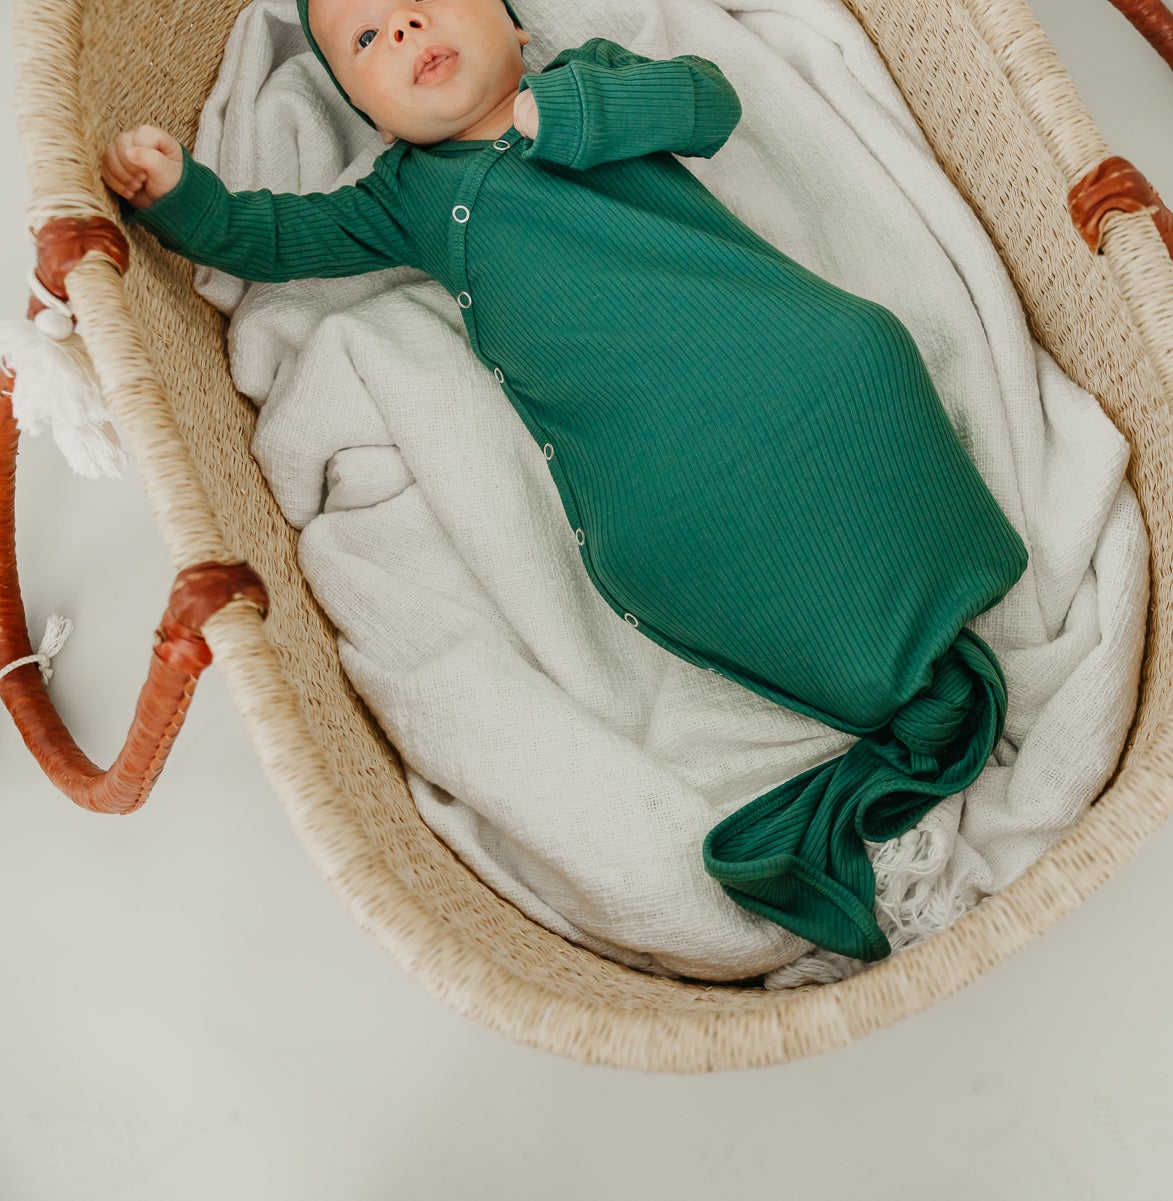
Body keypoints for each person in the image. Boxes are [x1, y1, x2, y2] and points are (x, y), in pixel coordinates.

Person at [101, 0, 1029, 963]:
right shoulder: (403, 197)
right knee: (665, 538)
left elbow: (706, 103)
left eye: (423, 2)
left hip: (782, 347)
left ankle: (929, 582)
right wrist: (177, 194)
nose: (405, 29)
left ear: (512, 26)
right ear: (372, 118)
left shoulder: (587, 79)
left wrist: (574, 111)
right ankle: (877, 671)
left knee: (864, 356)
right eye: (367, 40)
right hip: (649, 454)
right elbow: (271, 238)